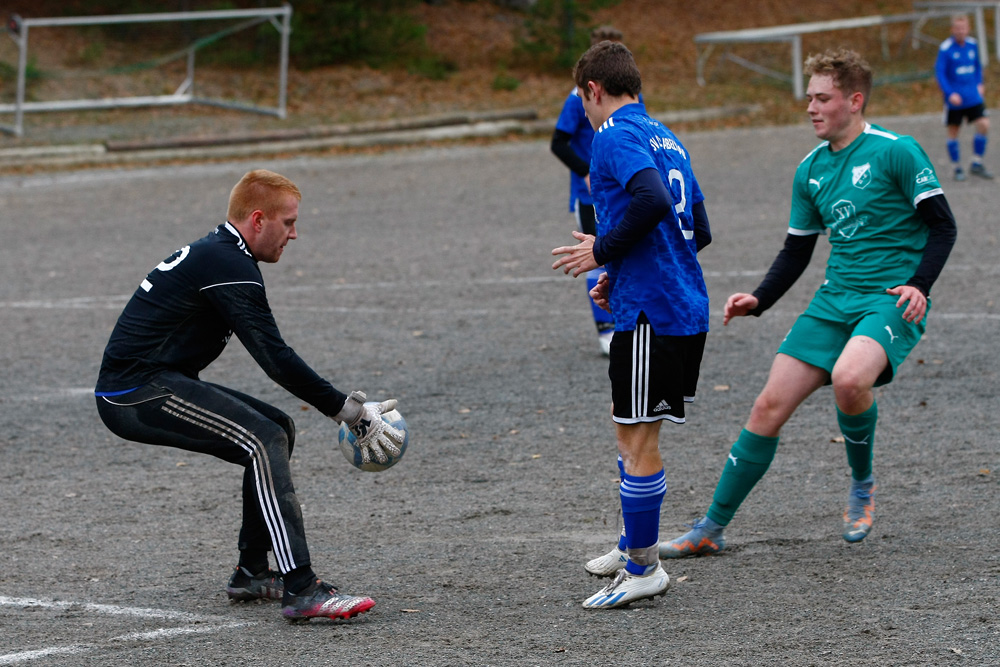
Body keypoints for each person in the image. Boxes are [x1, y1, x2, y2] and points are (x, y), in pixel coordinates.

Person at [661, 49, 957, 560]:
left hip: (889, 299)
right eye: (809, 98)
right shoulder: (811, 169)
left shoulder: (897, 151)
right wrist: (759, 298)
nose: (811, 108)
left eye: (823, 98)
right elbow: (797, 249)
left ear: (854, 100)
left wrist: (920, 285)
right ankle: (711, 527)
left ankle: (862, 486)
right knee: (767, 406)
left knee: (849, 379)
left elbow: (943, 225)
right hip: (833, 301)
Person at [94, 169, 404, 622]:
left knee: (278, 427)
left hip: (155, 382)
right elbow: (274, 357)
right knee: (262, 438)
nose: (295, 234)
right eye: (289, 223)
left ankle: (252, 573)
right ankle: (301, 589)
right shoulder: (227, 264)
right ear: (258, 220)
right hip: (135, 391)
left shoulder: (223, 255)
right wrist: (350, 412)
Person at [551, 41, 712, 609]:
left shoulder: (614, 136)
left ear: (593, 90)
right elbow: (698, 227)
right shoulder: (665, 136)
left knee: (634, 436)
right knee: (637, 430)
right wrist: (619, 270)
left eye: (583, 101)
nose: (585, 112)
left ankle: (644, 569)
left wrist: (604, 252)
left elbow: (650, 204)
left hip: (653, 312)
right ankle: (632, 545)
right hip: (677, 303)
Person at [549, 26, 637, 356]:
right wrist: (586, 170)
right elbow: (558, 142)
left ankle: (629, 317)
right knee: (597, 253)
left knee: (625, 248)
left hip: (625, 187)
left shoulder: (632, 95)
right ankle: (606, 330)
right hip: (591, 194)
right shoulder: (577, 98)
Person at [936, 13, 993, 181]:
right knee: (954, 131)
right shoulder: (946, 48)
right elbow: (940, 73)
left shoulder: (972, 45)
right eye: (958, 28)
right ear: (952, 29)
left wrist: (980, 84)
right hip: (955, 100)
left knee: (984, 124)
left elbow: (977, 67)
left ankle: (977, 162)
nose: (961, 31)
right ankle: (957, 167)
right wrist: (949, 93)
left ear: (968, 28)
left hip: (972, 96)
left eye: (964, 28)